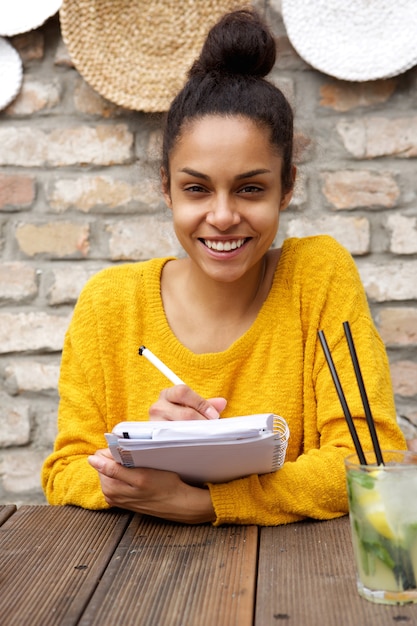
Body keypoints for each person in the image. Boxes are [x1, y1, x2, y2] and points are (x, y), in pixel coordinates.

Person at [41, 8, 406, 525]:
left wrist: (203, 501)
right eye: (196, 189)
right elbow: (65, 471)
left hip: (296, 581)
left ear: (288, 188)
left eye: (251, 188)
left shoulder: (317, 276)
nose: (223, 216)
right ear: (165, 188)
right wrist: (148, 457)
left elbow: (369, 456)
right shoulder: (109, 304)